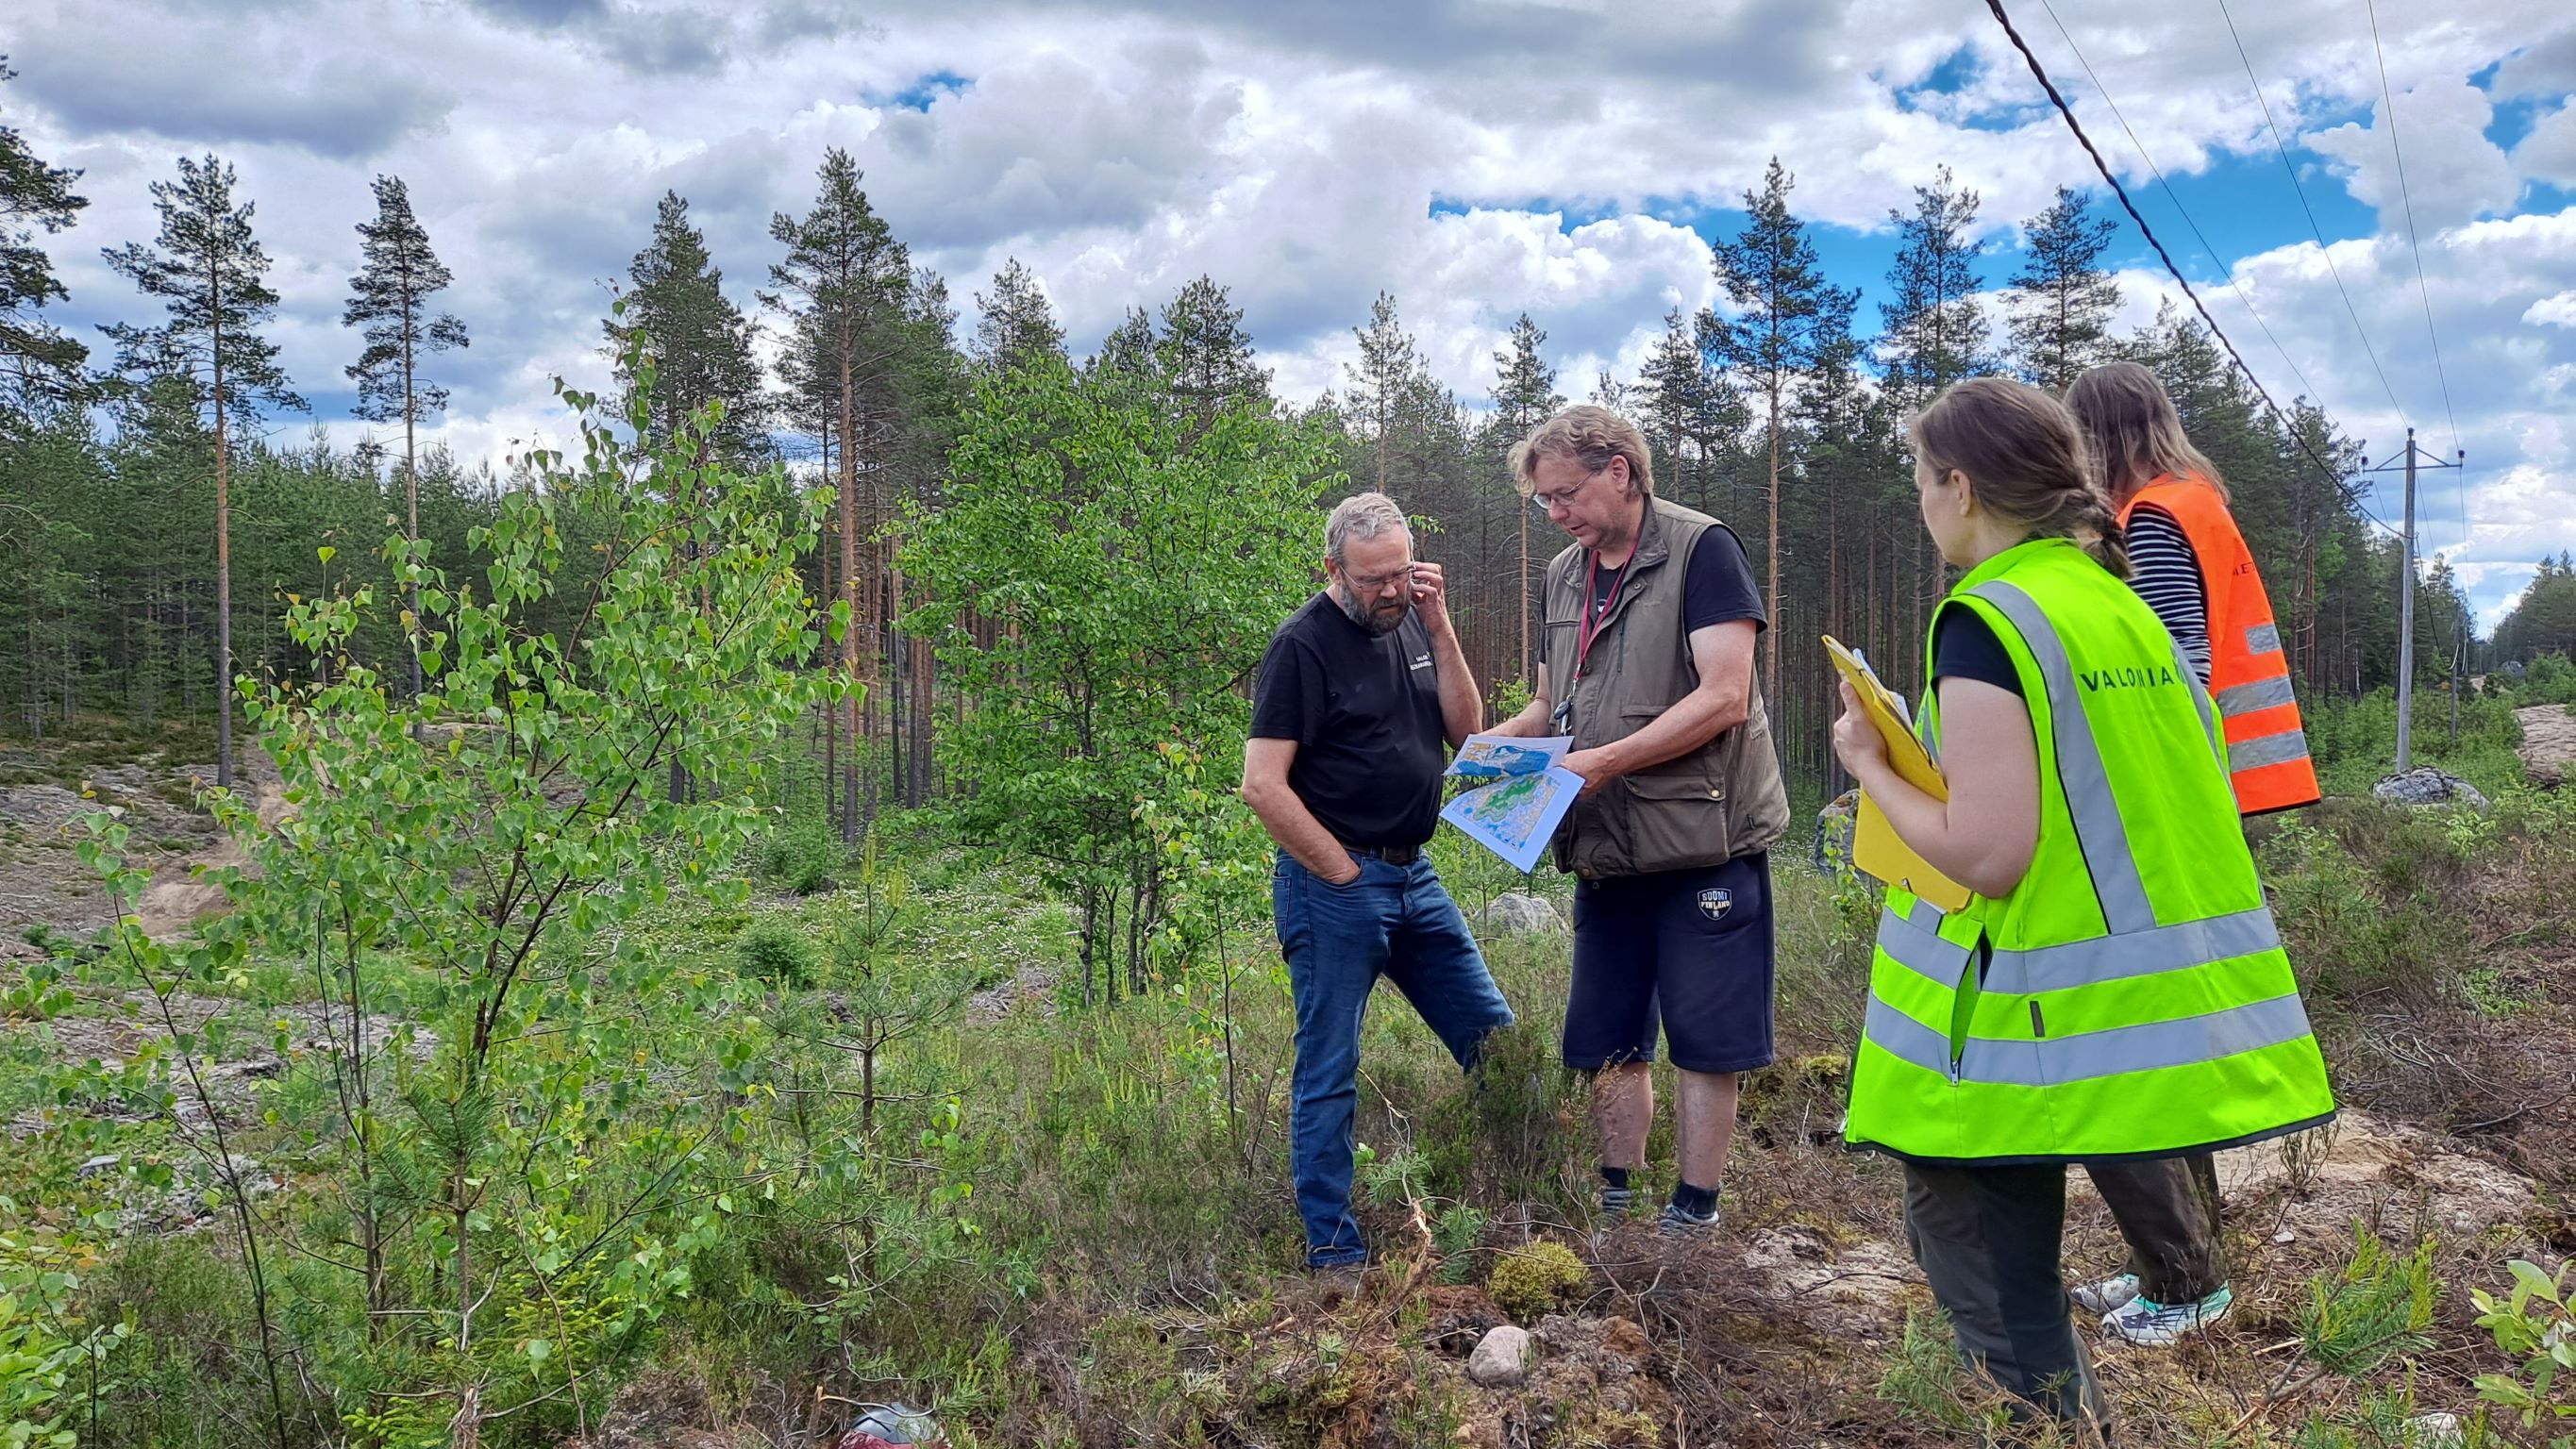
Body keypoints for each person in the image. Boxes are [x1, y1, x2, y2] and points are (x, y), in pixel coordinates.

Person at [1832, 378, 2335, 1433]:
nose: (1921, 502)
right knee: (2015, 1277)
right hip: (2131, 1010)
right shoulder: (2117, 603)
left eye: (1922, 480)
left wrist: (1872, 768)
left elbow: (1988, 853)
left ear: (1960, 486)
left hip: (2024, 1022)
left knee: (1998, 1297)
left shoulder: (1987, 615)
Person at [2063, 360, 2323, 1346]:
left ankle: (2186, 1281)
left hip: (2172, 807)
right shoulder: (2193, 503)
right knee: (2164, 1035)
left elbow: (2172, 668)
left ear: (2099, 437)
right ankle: (2176, 1265)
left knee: (2146, 1036)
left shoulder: (2158, 519)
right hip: (2212, 797)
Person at [1486, 405, 1789, 1236]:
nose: (1556, 514)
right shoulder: (1562, 573)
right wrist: (1488, 752)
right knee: (1608, 1032)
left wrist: (1603, 763)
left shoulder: (1703, 549)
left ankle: (1695, 1215)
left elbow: (1725, 696)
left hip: (1704, 840)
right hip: (1606, 844)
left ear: (1619, 469)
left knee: (1707, 1036)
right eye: (1545, 502)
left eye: (1565, 495)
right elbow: (1553, 705)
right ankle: (1615, 1204)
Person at [1242, 491, 1515, 1274]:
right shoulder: (1302, 645)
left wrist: (1442, 625)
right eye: (1372, 580)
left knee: (1496, 1042)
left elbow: (1468, 734)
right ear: (1334, 569)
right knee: (1329, 1071)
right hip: (1335, 883)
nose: (1390, 590)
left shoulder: (1412, 627)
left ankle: (1522, 1190)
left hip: (1415, 875)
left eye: (1402, 572)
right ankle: (1335, 1257)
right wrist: (1339, 869)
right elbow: (1263, 784)